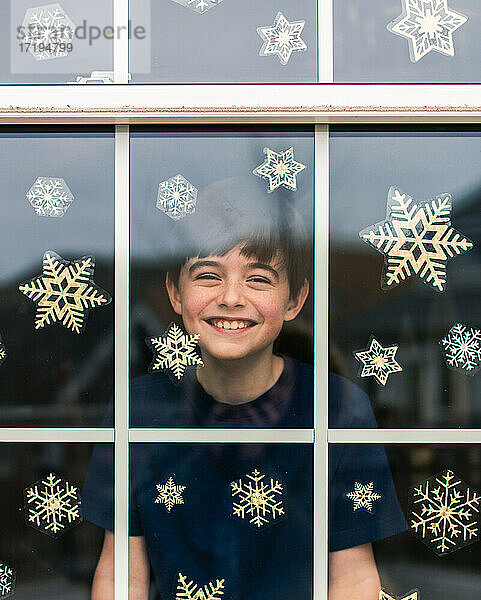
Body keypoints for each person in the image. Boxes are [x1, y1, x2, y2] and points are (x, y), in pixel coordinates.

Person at [83, 178, 405, 600]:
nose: (231, 297)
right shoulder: (138, 410)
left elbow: (352, 578)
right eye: (208, 275)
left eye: (258, 279)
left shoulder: (339, 408)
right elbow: (121, 575)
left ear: (295, 299)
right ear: (174, 293)